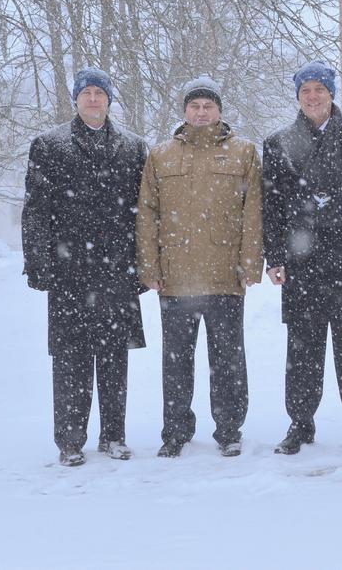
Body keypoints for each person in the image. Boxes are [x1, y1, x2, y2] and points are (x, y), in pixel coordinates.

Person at [21, 67, 149, 467]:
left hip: (116, 270)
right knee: (71, 358)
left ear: (110, 99)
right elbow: (36, 210)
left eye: (100, 92)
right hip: (69, 270)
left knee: (114, 357)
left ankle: (113, 435)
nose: (93, 99)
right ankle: (70, 440)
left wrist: (142, 266)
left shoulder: (133, 147)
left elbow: (143, 213)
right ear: (76, 99)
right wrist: (38, 262)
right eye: (86, 93)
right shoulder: (49, 145)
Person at [136, 76, 263, 458]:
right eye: (195, 106)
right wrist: (149, 266)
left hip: (225, 276)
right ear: (185, 111)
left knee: (227, 359)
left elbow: (253, 212)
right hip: (175, 278)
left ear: (220, 111)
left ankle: (229, 429)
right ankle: (175, 431)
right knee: (176, 362)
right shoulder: (161, 156)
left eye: (209, 106)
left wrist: (250, 264)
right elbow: (147, 214)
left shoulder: (243, 153)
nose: (202, 112)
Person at [263, 61, 342, 454]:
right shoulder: (279, 142)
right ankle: (300, 423)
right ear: (297, 96)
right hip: (303, 261)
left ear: (332, 92)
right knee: (303, 349)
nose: (313, 97)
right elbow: (272, 206)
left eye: (320, 89)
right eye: (306, 90)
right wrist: (274, 256)